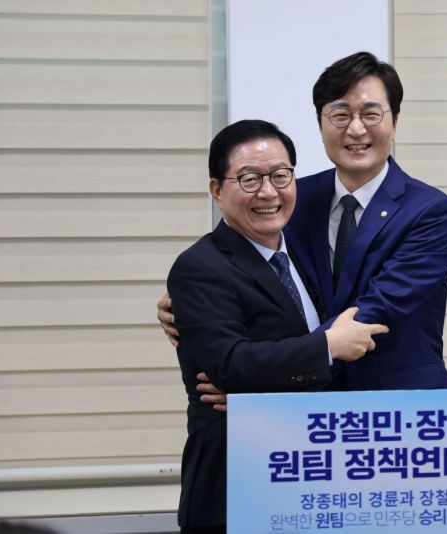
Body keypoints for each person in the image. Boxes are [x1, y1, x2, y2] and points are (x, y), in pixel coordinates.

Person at [159, 51, 447, 398]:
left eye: (371, 114)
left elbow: (379, 307)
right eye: (341, 115)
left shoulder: (431, 212)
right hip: (304, 412)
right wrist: (195, 307)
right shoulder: (291, 198)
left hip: (396, 403)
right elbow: (247, 274)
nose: (356, 128)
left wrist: (256, 380)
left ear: (395, 121)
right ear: (320, 123)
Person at [168, 119, 388, 533]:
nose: (268, 192)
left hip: (304, 475)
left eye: (280, 176)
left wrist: (262, 394)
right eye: (249, 179)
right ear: (217, 190)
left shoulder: (302, 253)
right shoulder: (199, 267)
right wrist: (328, 346)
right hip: (235, 481)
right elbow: (230, 365)